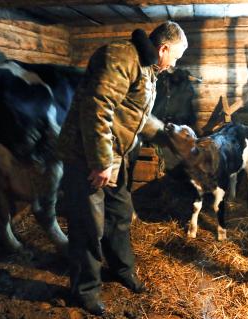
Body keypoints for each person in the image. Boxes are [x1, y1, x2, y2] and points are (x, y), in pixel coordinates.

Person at [56, 21, 188, 316]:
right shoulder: (120, 57)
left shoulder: (148, 69)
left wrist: (169, 133)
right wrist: (101, 162)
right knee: (88, 224)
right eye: (176, 57)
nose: (174, 64)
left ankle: (121, 269)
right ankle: (84, 290)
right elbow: (97, 108)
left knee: (119, 215)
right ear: (164, 48)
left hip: (119, 156)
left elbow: (134, 116)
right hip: (87, 158)